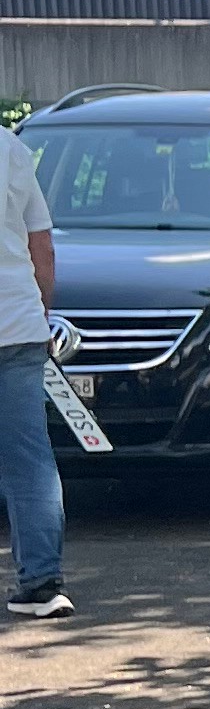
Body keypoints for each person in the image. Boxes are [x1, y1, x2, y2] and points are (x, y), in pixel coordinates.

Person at [0, 112, 73, 623]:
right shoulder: (11, 149)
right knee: (30, 459)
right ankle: (42, 584)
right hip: (17, 325)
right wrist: (40, 312)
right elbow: (40, 246)